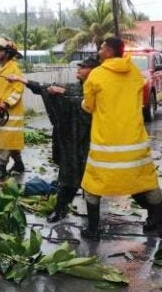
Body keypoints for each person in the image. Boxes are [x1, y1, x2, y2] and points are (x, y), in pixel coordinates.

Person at [80, 37, 162, 241]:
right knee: (148, 184)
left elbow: (89, 106)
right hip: (134, 142)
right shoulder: (134, 72)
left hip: (106, 143)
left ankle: (93, 230)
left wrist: (84, 103)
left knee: (92, 187)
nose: (99, 50)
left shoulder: (96, 75)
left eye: (102, 47)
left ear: (109, 51)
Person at [6, 57, 99, 222]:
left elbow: (84, 102)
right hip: (71, 142)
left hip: (91, 141)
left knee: (92, 181)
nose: (78, 69)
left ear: (93, 70)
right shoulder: (74, 87)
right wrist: (20, 79)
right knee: (68, 178)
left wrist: (64, 93)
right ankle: (61, 209)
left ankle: (93, 224)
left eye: (83, 67)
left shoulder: (95, 89)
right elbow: (43, 88)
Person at [0, 38, 25, 180]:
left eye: (0, 50)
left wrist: (5, 104)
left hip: (12, 112)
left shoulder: (14, 69)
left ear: (8, 53)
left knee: (6, 140)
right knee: (11, 140)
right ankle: (19, 164)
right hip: (1, 111)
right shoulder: (1, 69)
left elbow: (18, 89)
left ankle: (2, 167)